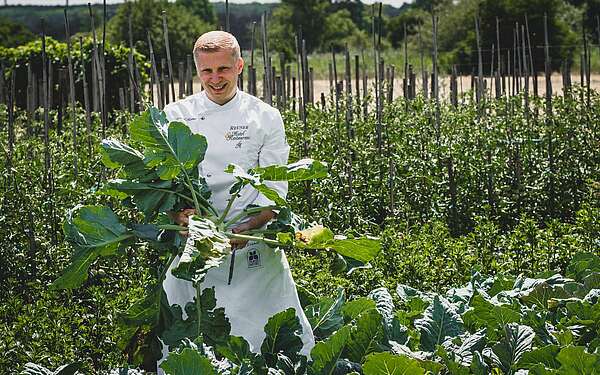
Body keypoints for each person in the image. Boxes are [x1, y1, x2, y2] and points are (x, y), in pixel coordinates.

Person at [157, 31, 315, 370]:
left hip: (252, 247)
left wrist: (243, 229)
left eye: (224, 69)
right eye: (207, 71)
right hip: (195, 251)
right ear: (197, 71)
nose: (215, 79)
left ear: (239, 66)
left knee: (269, 341)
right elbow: (161, 184)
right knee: (185, 347)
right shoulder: (174, 116)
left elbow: (275, 191)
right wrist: (180, 217)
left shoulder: (265, 117)